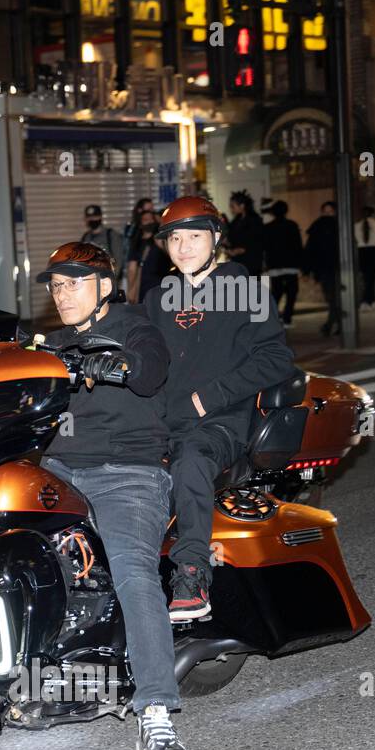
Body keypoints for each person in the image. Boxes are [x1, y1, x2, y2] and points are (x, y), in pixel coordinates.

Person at [35, 241, 183, 750]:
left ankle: (157, 712)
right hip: (55, 469)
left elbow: (148, 371)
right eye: (56, 285)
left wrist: (113, 361)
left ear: (102, 287)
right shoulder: (49, 343)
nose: (61, 294)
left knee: (134, 572)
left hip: (128, 472)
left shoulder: (135, 326)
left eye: (73, 283)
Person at [144, 195, 296, 621]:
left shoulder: (244, 290)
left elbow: (276, 358)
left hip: (219, 424)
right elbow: (133, 349)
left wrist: (208, 396)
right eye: (175, 238)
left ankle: (192, 575)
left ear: (215, 239)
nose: (184, 246)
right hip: (160, 423)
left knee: (190, 462)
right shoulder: (158, 298)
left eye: (195, 236)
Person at [261, 200, 303, 325]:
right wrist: (301, 264)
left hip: (275, 264)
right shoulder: (292, 225)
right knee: (291, 292)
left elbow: (265, 247)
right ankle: (287, 318)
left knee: (276, 293)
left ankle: (272, 318)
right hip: (291, 264)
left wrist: (265, 264)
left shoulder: (267, 228)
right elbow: (298, 245)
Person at [304, 201, 342, 337]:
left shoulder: (318, 226)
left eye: (329, 212)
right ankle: (335, 323)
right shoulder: (337, 226)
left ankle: (331, 324)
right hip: (331, 266)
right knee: (334, 297)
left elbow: (309, 249)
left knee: (332, 297)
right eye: (325, 212)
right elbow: (310, 249)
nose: (327, 215)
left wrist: (307, 269)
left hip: (329, 267)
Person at [128, 210, 171, 302]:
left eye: (151, 219)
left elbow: (173, 259)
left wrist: (162, 246)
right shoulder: (136, 243)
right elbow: (132, 269)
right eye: (146, 220)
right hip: (143, 288)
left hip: (162, 286)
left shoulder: (162, 239)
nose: (150, 222)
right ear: (140, 224)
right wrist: (131, 289)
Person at [354, 206, 375, 310]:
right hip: (373, 252)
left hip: (361, 253)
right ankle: (368, 300)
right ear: (373, 214)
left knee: (366, 278)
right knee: (371, 278)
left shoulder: (356, 226)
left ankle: (369, 300)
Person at [224, 190, 264, 277]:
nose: (231, 209)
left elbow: (256, 241)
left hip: (251, 263)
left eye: (232, 206)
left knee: (250, 288)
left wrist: (240, 250)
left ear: (242, 206)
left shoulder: (255, 220)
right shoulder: (236, 221)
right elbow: (232, 239)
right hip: (238, 263)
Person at [80, 205, 125, 277]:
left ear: (100, 217)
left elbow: (118, 259)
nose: (92, 219)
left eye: (95, 216)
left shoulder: (111, 235)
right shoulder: (85, 237)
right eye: (89, 217)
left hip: (108, 278)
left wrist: (113, 279)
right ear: (86, 219)